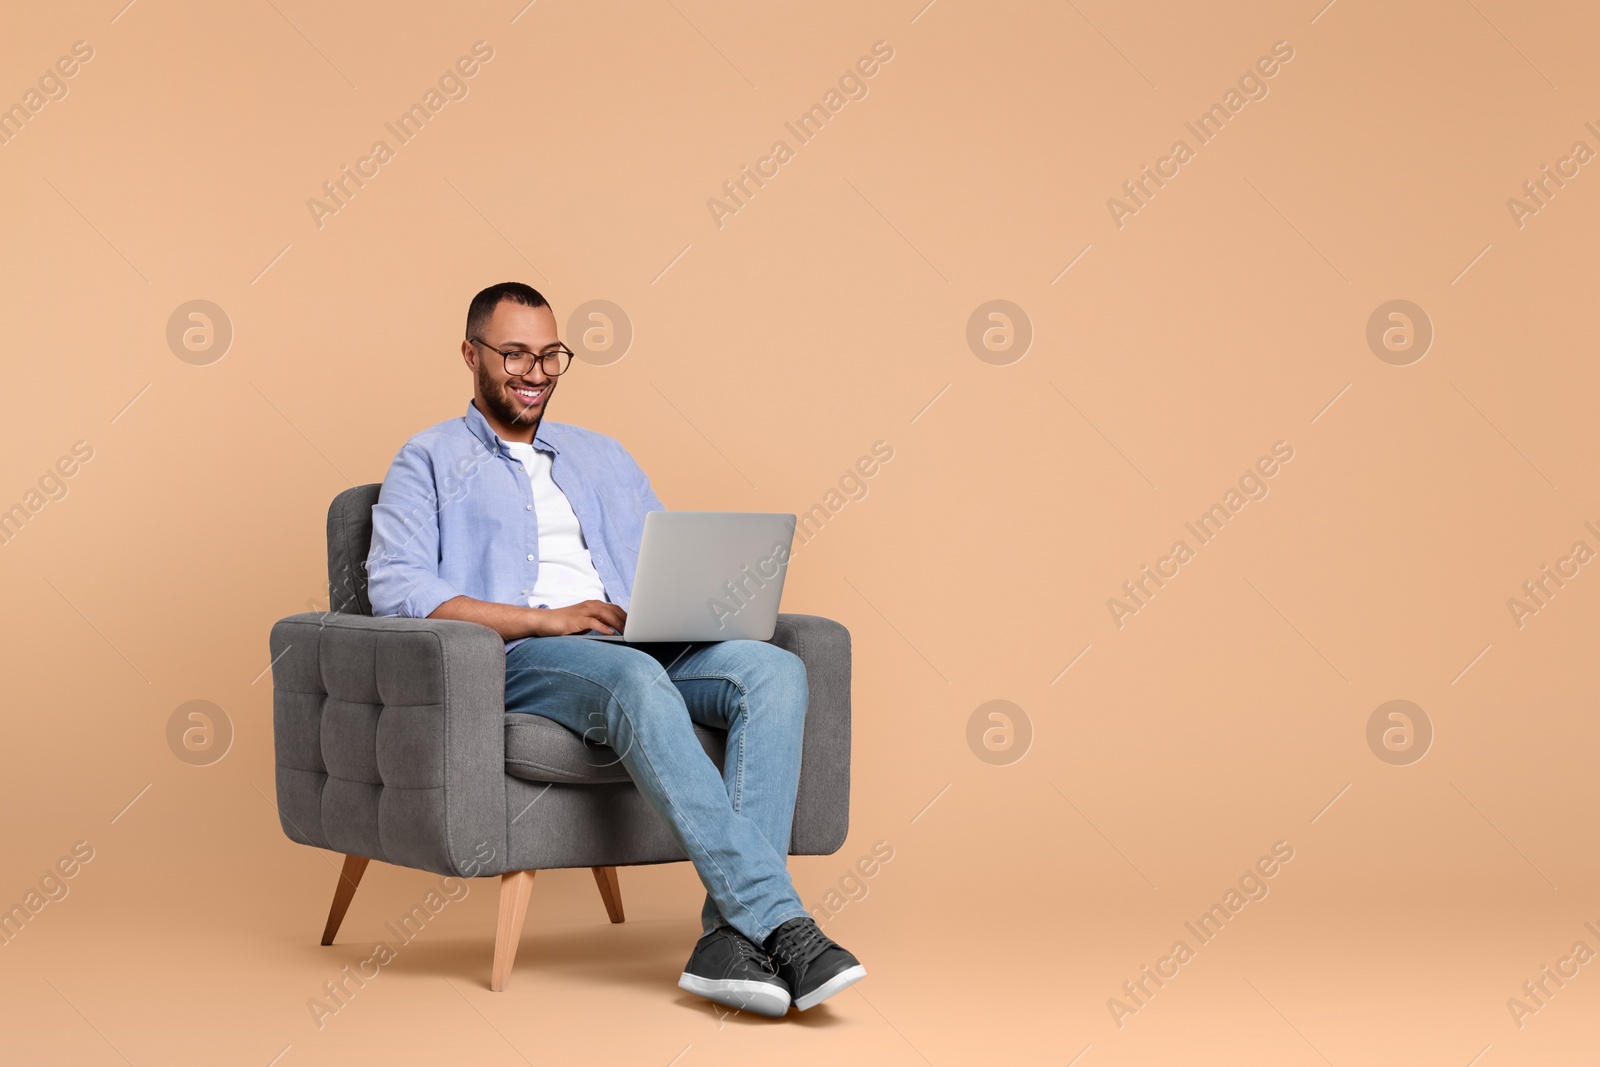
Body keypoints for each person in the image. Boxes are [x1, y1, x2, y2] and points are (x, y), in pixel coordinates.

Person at [364, 282, 866, 1016]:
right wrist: (545, 621)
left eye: (549, 356)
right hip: (525, 657)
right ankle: (780, 920)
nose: (534, 373)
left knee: (775, 669)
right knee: (632, 677)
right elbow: (397, 587)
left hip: (635, 641)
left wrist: (678, 605)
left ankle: (728, 941)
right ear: (470, 354)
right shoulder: (429, 458)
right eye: (513, 355)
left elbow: (658, 558)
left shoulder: (604, 456)